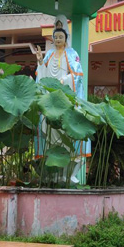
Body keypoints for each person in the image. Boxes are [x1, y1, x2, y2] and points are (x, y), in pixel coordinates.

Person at [35, 16, 90, 182]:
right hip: (51, 99)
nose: (58, 39)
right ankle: (53, 173)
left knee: (67, 132)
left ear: (66, 38)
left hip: (66, 97)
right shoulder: (49, 54)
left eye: (61, 37)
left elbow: (78, 75)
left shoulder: (72, 54)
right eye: (55, 37)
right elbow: (42, 75)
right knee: (50, 132)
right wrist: (39, 61)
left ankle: (68, 174)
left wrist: (64, 81)